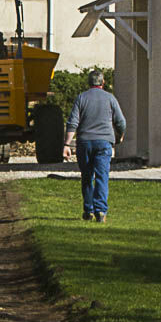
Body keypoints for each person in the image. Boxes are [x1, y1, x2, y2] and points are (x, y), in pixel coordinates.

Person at [63, 72, 126, 223]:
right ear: (103, 82)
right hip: (104, 142)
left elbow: (73, 122)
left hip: (84, 142)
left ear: (88, 82)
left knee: (87, 176)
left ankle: (88, 209)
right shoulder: (110, 98)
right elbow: (120, 121)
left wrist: (66, 144)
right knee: (102, 176)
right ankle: (101, 211)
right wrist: (120, 135)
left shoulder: (82, 98)